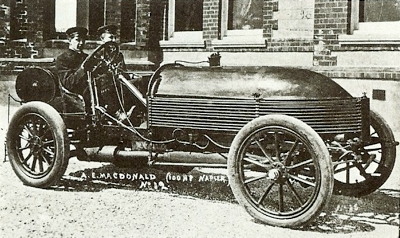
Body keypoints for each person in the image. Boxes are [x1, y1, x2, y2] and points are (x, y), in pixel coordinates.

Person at [55, 27, 88, 96]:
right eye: (77, 40)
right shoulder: (62, 59)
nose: (81, 43)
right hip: (75, 96)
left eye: (83, 40)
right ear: (69, 40)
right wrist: (82, 70)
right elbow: (67, 84)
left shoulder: (86, 57)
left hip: (90, 91)